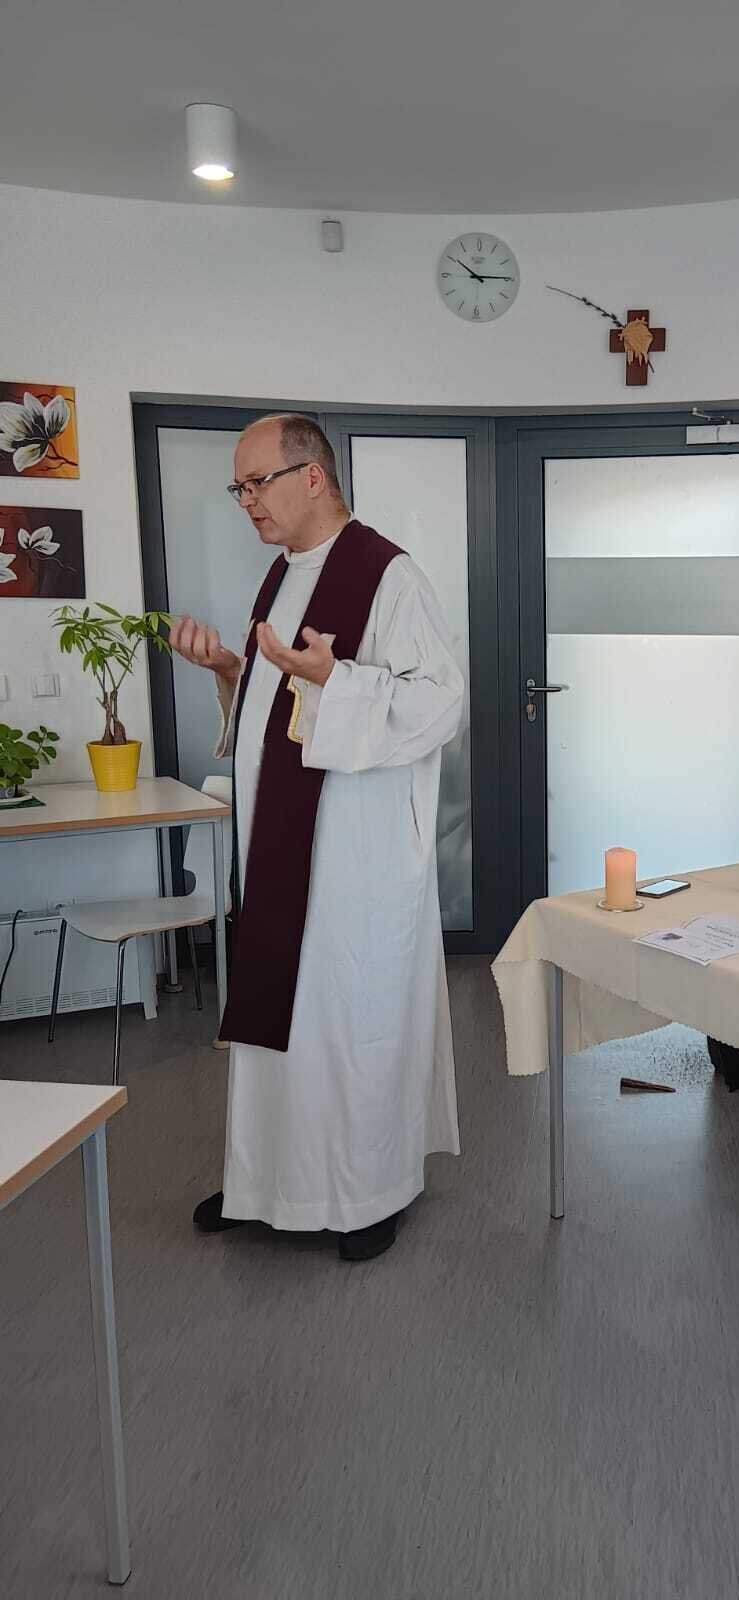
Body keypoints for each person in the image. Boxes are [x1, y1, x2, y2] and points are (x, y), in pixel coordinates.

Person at [168, 414, 464, 1260]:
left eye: (255, 483)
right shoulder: (280, 576)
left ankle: (369, 1192)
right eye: (238, 488)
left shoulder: (389, 575)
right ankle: (265, 1183)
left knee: (350, 1020)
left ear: (312, 476)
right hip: (280, 848)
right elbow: (277, 709)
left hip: (356, 860)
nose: (245, 502)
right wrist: (230, 672)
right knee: (283, 1021)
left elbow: (439, 703)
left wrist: (342, 682)